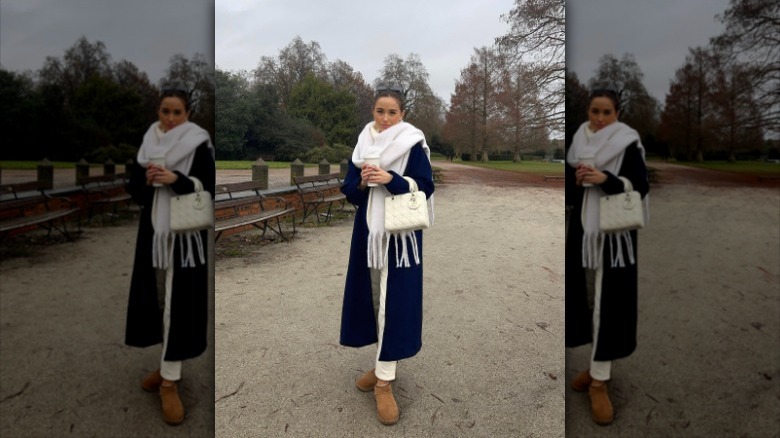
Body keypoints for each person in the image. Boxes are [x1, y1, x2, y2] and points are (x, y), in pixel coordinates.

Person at [340, 85, 435, 426]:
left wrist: (391, 179)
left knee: (395, 302)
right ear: (373, 111)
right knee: (372, 301)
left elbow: (425, 185)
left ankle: (384, 382)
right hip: (367, 235)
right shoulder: (363, 142)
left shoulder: (411, 142)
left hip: (400, 237)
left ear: (402, 114)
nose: (384, 118)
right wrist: (364, 183)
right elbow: (349, 189)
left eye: (391, 112)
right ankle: (382, 362)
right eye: (380, 111)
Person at [125, 86, 215, 426]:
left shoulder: (198, 142)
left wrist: (176, 179)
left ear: (187, 113)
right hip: (152, 234)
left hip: (185, 237)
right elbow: (132, 188)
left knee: (182, 302)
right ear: (158, 112)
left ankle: (169, 381)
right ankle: (165, 365)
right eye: (165, 111)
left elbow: (207, 183)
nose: (171, 118)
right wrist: (147, 181)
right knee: (157, 298)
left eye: (177, 112)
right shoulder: (149, 142)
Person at [565, 84, 650, 425]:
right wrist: (577, 181)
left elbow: (640, 185)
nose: (599, 119)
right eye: (594, 111)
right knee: (585, 299)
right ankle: (595, 366)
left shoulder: (626, 141)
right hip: (583, 231)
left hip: (615, 236)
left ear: (617, 114)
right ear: (588, 111)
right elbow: (571, 192)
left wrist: (606, 178)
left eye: (607, 112)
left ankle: (600, 380)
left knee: (609, 301)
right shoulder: (578, 141)